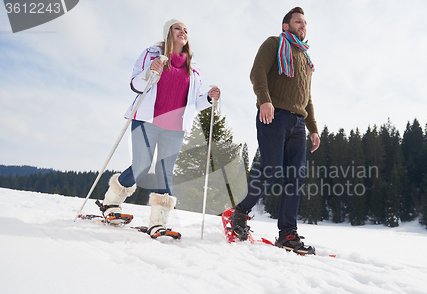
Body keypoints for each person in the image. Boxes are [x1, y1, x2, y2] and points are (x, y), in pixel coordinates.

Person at [100, 19, 220, 238]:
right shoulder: (152, 54)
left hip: (175, 127)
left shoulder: (193, 69)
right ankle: (110, 204)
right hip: (147, 120)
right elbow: (136, 84)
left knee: (165, 173)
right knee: (142, 166)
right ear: (168, 33)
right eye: (178, 28)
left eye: (186, 30)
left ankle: (158, 223)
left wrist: (209, 99)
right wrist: (151, 70)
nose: (183, 32)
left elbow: (193, 102)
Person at [230, 7, 320, 254]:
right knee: (271, 169)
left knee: (296, 178)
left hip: (298, 124)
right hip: (274, 115)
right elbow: (257, 72)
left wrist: (313, 128)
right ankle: (240, 212)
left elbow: (307, 97)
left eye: (305, 22)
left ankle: (287, 234)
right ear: (286, 26)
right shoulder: (274, 44)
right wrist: (264, 99)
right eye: (298, 21)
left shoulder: (305, 58)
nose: (303, 25)